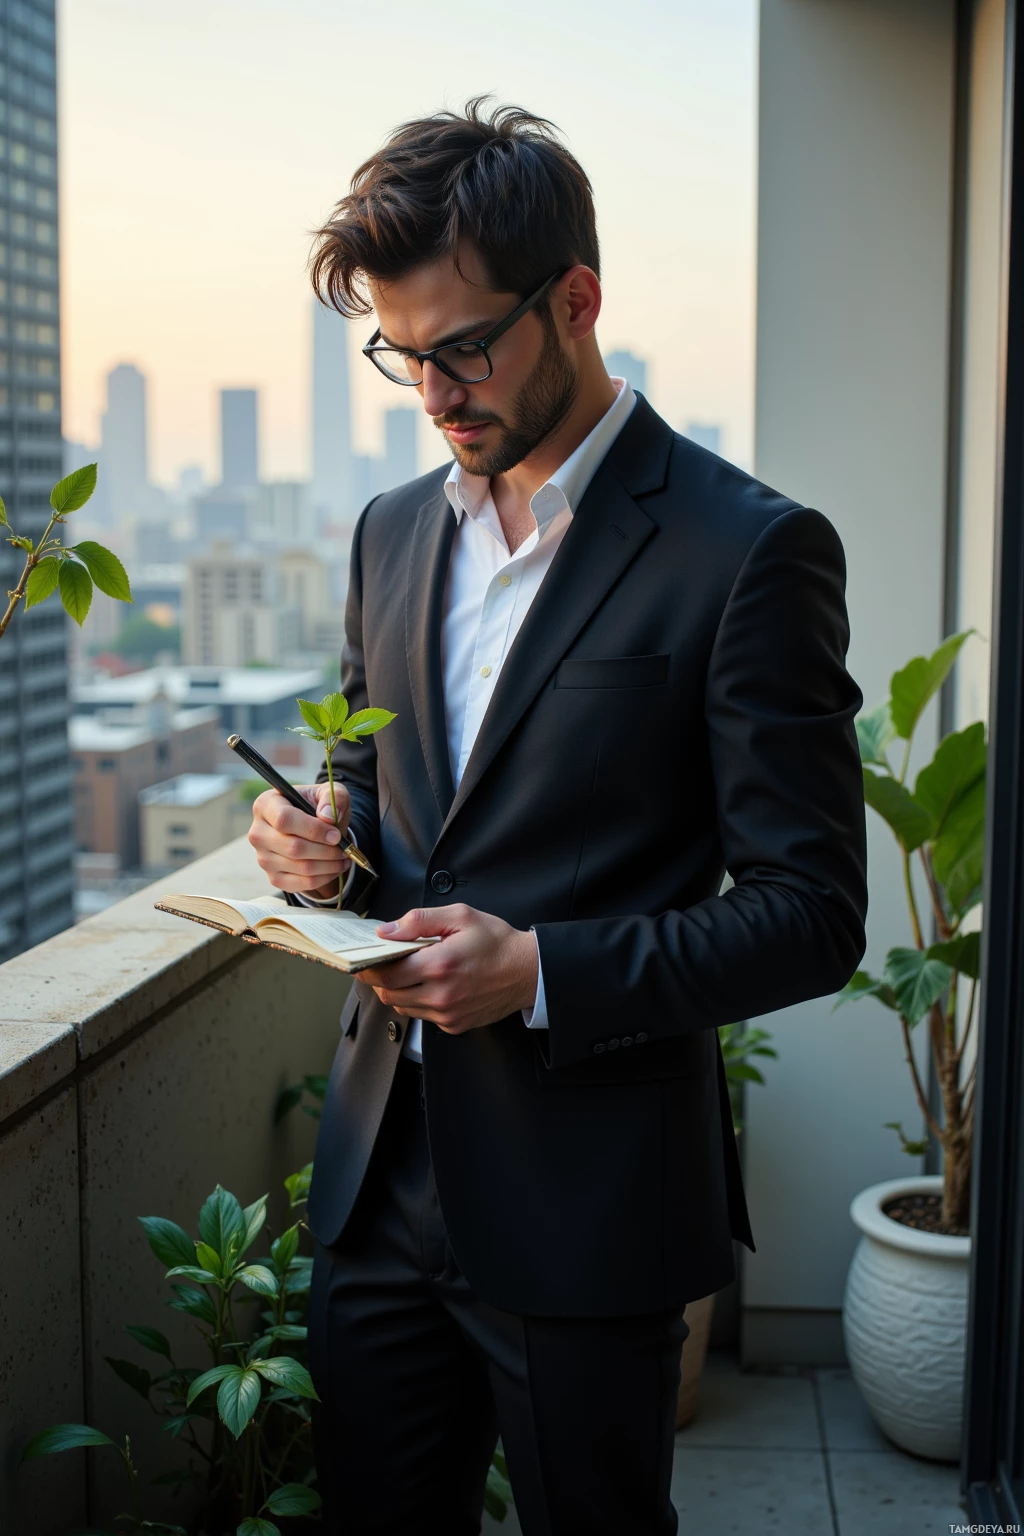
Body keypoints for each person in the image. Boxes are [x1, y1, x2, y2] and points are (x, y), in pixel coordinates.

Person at [248, 98, 868, 1536]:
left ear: (577, 301)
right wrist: (324, 842)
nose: (435, 393)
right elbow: (384, 788)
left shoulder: (749, 550)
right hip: (376, 1179)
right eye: (404, 355)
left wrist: (540, 972)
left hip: (591, 1206)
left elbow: (814, 914)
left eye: (465, 347)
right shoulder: (390, 528)